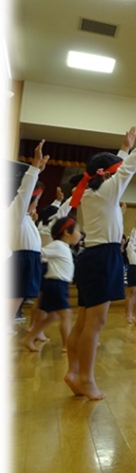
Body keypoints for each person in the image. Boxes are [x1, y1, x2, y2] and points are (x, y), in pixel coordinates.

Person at [66, 121, 136, 400]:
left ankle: (74, 372)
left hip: (91, 257)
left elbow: (117, 171)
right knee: (94, 325)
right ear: (108, 174)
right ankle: (85, 378)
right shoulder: (106, 192)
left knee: (83, 321)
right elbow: (127, 171)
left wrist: (124, 148)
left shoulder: (91, 191)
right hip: (103, 257)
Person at [1, 140, 49, 383]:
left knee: (8, 318)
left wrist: (37, 172)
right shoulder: (12, 214)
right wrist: (33, 168)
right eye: (35, 197)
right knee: (4, 319)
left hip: (29, 263)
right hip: (20, 264)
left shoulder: (26, 218)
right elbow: (23, 193)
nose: (36, 201)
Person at [21, 216, 81, 353]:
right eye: (78, 230)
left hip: (58, 285)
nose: (80, 234)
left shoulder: (63, 247)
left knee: (53, 316)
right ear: (67, 232)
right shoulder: (57, 246)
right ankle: (67, 345)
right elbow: (39, 253)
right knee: (66, 313)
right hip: (55, 285)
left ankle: (29, 338)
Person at [123, 217, 136, 323]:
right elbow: (133, 237)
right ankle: (127, 314)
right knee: (131, 293)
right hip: (133, 269)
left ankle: (134, 314)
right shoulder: (130, 246)